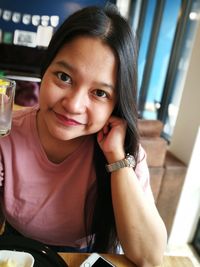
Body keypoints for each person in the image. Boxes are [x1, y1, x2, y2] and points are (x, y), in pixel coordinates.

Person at [0, 4, 167, 266]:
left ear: (116, 104)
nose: (74, 105)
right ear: (44, 71)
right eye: (64, 77)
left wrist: (116, 159)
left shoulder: (123, 152)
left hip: (84, 257)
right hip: (16, 250)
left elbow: (150, 258)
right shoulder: (6, 132)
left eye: (100, 93)